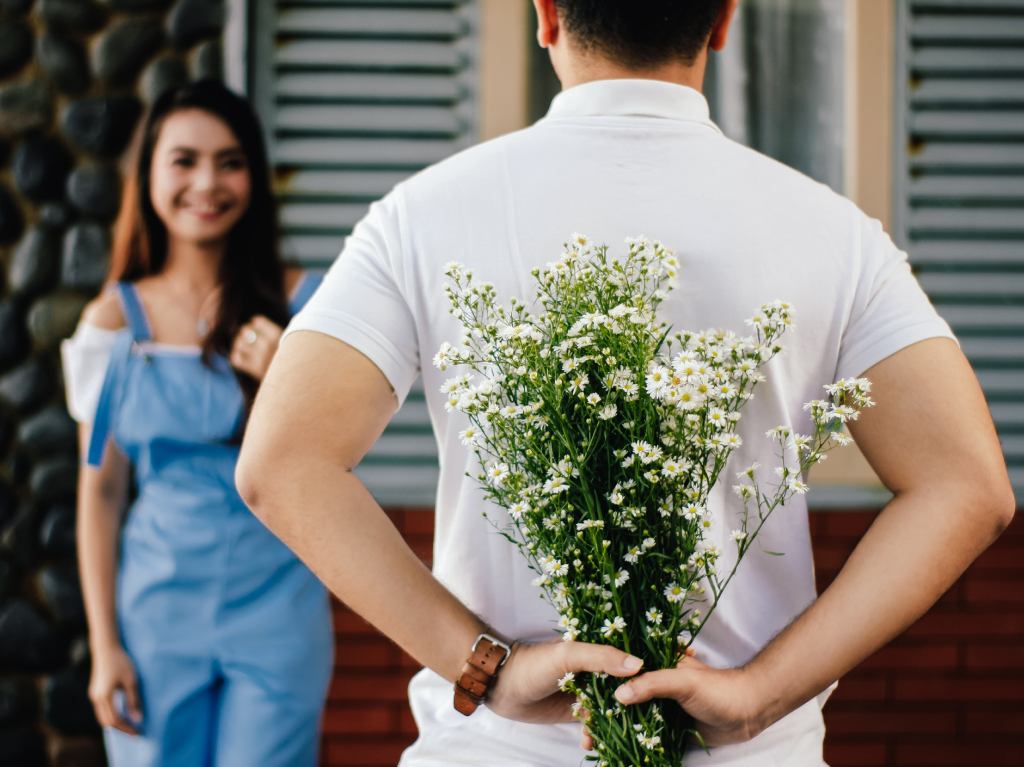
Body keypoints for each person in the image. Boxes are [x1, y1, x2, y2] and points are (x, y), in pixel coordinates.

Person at [236, 1, 1015, 765]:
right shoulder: (835, 232)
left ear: (545, 16)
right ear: (722, 21)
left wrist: (487, 667)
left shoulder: (422, 215)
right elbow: (969, 486)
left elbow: (282, 463)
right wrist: (759, 692)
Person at [61, 80, 332, 767]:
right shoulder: (114, 321)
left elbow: (341, 465)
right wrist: (105, 646)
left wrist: (286, 384)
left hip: (280, 609)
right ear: (148, 171)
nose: (206, 182)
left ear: (255, 176)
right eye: (184, 160)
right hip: (154, 615)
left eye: (230, 161)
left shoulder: (308, 305)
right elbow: (100, 492)